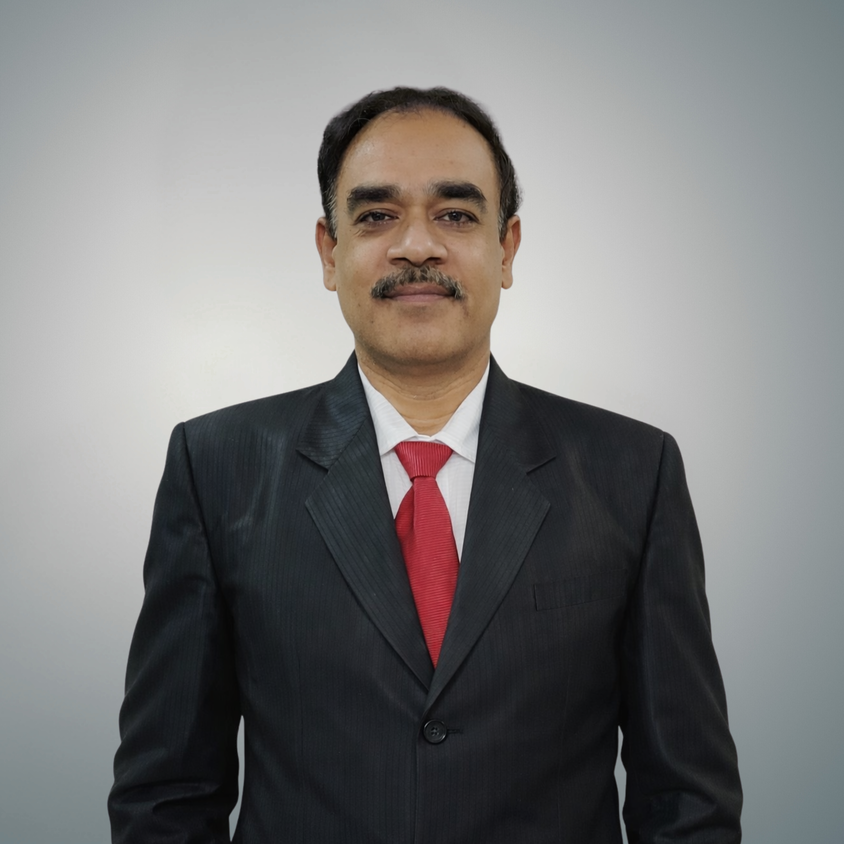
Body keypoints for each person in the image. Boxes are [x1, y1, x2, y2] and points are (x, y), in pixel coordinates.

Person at [109, 86, 742, 843]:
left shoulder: (632, 473)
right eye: (377, 216)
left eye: (456, 215)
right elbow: (167, 796)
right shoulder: (217, 468)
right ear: (329, 251)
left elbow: (687, 804)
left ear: (506, 250)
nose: (417, 246)